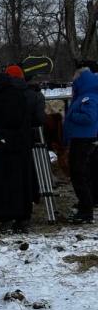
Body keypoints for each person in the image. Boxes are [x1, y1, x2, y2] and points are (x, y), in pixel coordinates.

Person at [0, 65, 45, 232]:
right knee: (22, 179)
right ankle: (22, 216)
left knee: (0, 179)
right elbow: (37, 119)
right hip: (22, 141)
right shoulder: (29, 94)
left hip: (1, 141)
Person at [63, 68, 98, 224]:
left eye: (75, 80)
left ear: (81, 81)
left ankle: (86, 211)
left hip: (83, 139)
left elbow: (90, 117)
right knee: (82, 173)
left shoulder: (89, 97)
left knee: (79, 174)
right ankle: (86, 204)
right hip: (81, 137)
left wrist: (71, 115)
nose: (73, 83)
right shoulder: (85, 95)